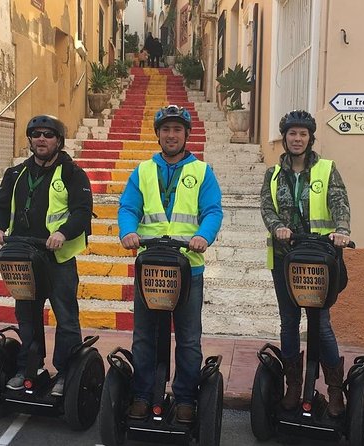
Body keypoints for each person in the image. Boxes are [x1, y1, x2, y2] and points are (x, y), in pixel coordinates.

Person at [118, 105, 223, 423]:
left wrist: (203, 236)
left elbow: (212, 211)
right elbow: (128, 206)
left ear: (187, 135)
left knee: (189, 337)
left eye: (177, 130)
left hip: (188, 265)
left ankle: (187, 397)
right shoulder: (143, 170)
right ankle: (142, 393)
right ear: (158, 134)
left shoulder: (202, 172)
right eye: (166, 129)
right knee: (144, 334)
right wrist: (128, 231)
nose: (171, 135)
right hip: (150, 265)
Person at [0, 115, 93, 396]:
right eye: (36, 134)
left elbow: (82, 211)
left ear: (59, 140)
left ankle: (66, 371)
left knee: (66, 317)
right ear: (30, 140)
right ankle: (28, 368)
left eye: (48, 134)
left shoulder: (72, 173)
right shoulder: (15, 173)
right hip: (23, 257)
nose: (41, 139)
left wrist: (63, 233)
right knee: (27, 316)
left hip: (58, 259)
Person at [260, 110, 351, 417]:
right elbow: (267, 209)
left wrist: (342, 231)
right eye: (291, 134)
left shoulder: (327, 169)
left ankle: (335, 390)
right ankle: (293, 386)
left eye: (302, 134)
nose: (297, 139)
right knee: (289, 321)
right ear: (284, 138)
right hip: (285, 259)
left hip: (320, 259)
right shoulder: (272, 174)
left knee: (321, 324)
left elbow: (339, 202)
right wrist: (277, 228)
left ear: (310, 138)